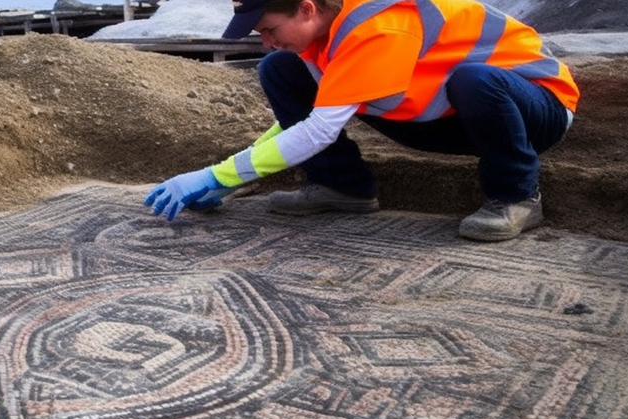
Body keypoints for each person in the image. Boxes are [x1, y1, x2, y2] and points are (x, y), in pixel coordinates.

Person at [144, 0, 579, 241]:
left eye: (270, 29)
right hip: (446, 117)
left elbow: (317, 131)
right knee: (278, 69)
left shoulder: (378, 27)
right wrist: (223, 177)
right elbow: (312, 125)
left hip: (532, 110)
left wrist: (217, 176)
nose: (267, 40)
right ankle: (343, 186)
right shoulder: (323, 39)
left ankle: (517, 195)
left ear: (308, 9)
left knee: (475, 79)